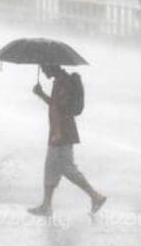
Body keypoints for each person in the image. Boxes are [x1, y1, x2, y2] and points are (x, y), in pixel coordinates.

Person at [28, 63, 107, 216]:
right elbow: (55, 104)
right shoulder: (58, 81)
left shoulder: (64, 82)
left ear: (53, 66)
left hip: (62, 132)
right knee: (50, 168)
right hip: (57, 132)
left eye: (45, 67)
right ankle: (46, 206)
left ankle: (95, 196)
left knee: (68, 169)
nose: (43, 70)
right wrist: (41, 94)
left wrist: (57, 133)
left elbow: (60, 108)